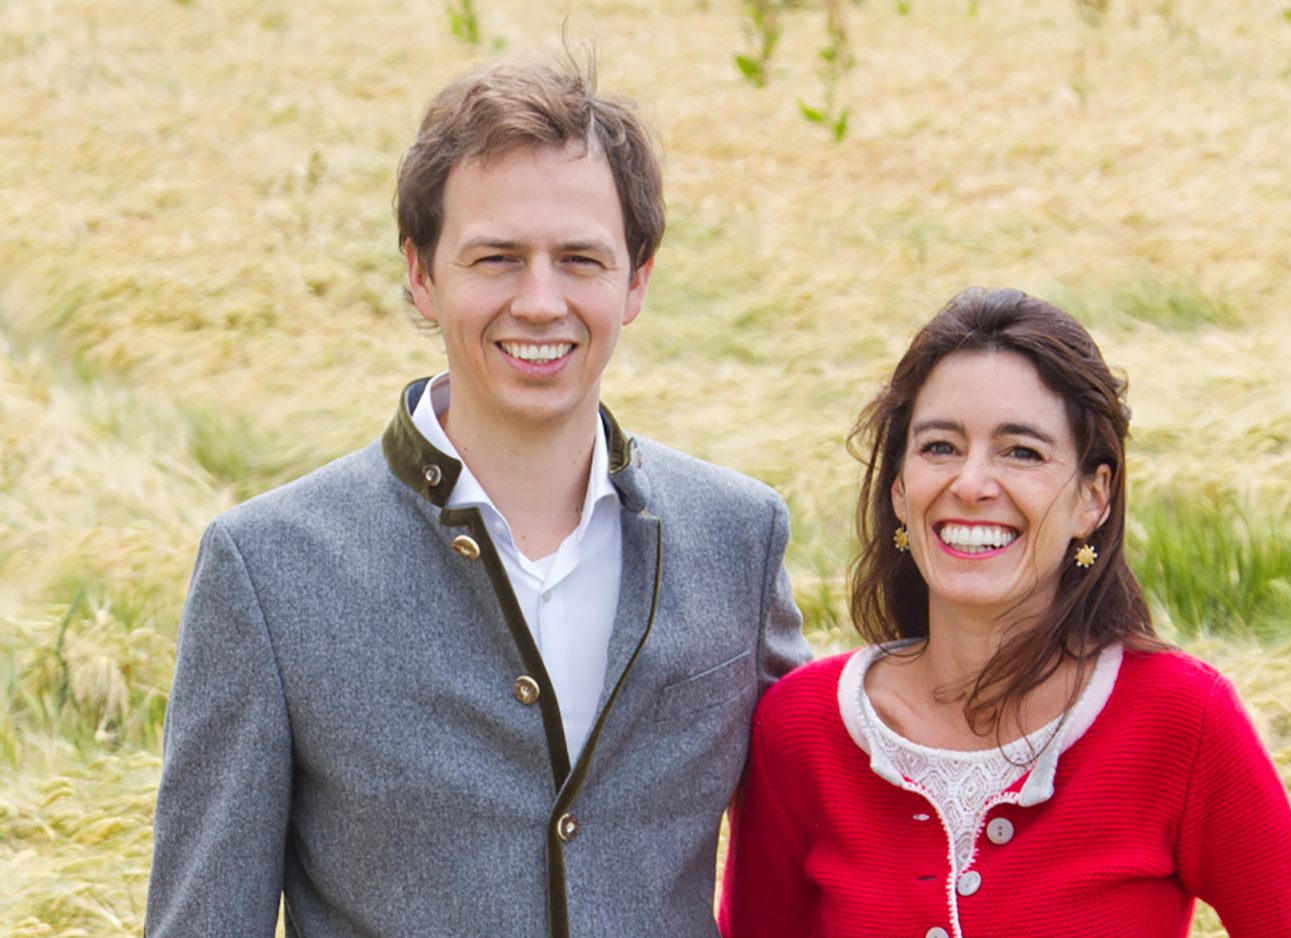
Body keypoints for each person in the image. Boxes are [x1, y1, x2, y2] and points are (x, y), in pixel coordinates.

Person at [144, 55, 810, 938]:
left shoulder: (739, 534)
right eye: (497, 258)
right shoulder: (267, 569)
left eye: (580, 259)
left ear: (637, 278)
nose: (541, 302)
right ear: (421, 273)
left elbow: (839, 812)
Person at [718, 287, 1291, 937]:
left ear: (1093, 498)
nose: (970, 484)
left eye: (1021, 451)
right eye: (940, 446)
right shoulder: (799, 732)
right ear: (900, 489)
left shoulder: (1182, 722)